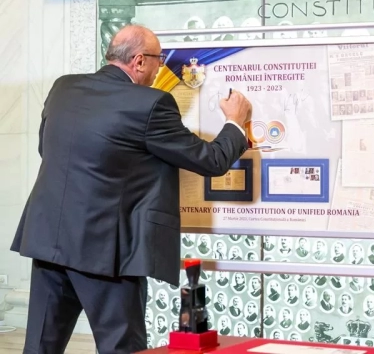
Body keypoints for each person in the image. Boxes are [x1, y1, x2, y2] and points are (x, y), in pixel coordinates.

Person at [11, 25, 252, 353]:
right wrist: (235, 121)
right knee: (122, 348)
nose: (160, 69)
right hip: (106, 251)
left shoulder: (63, 88)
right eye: (158, 60)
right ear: (139, 61)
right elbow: (210, 160)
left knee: (40, 347)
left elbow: (47, 149)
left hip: (48, 240)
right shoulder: (151, 104)